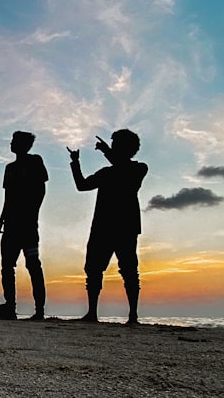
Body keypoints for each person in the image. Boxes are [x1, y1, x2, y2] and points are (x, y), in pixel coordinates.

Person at [67, 129, 148, 324]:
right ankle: (92, 313)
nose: (113, 147)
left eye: (116, 144)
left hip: (124, 227)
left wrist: (105, 151)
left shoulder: (138, 169)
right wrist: (75, 162)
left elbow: (121, 167)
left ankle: (132, 315)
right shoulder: (107, 172)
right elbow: (82, 185)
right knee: (94, 269)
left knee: (129, 270)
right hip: (103, 226)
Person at [0, 131, 48, 321]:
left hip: (27, 225)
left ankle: (39, 310)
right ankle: (10, 307)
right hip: (11, 225)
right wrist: (2, 218)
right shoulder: (9, 168)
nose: (11, 143)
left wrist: (32, 213)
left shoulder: (35, 161)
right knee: (7, 266)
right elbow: (8, 196)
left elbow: (41, 190)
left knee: (33, 264)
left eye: (14, 141)